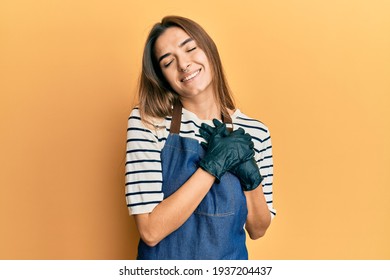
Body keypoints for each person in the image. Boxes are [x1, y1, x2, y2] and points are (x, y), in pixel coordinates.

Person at [125, 15, 276, 260]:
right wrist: (211, 168)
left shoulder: (255, 132)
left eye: (190, 48)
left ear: (209, 50)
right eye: (168, 62)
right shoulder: (147, 123)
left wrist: (252, 178)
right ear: (162, 77)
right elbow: (150, 231)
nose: (183, 64)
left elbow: (258, 229)